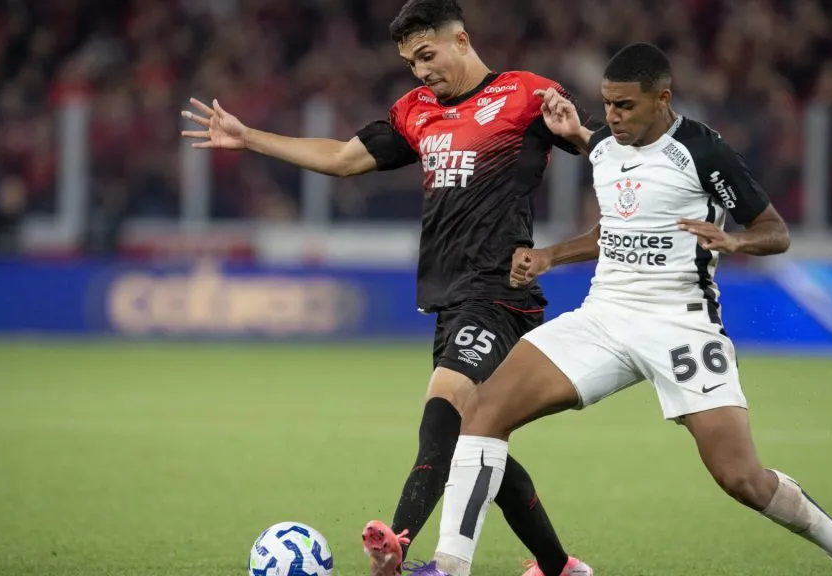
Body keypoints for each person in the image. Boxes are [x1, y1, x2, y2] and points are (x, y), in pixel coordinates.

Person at [398, 43, 832, 576]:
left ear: (662, 98)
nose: (612, 118)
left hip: (681, 325)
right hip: (605, 315)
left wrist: (732, 243)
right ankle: (450, 566)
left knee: (741, 478)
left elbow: (774, 232)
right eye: (608, 104)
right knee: (482, 410)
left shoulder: (703, 151)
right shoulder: (603, 150)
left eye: (625, 106)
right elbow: (614, 231)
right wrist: (551, 255)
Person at [179, 2, 593, 576]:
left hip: (501, 292)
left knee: (441, 418)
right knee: (476, 443)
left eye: (427, 55)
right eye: (410, 61)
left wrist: (582, 137)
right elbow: (346, 158)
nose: (420, 71)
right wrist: (249, 137)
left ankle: (397, 545)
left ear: (461, 40)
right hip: (450, 298)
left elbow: (597, 149)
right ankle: (560, 569)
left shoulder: (525, 94)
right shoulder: (415, 111)